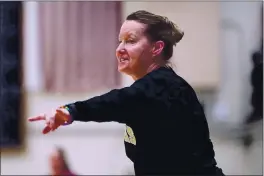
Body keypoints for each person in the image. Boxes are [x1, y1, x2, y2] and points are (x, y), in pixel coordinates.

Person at [29, 10, 225, 175]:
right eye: (120, 41)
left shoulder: (163, 87)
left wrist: (71, 111)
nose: (119, 49)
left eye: (130, 41)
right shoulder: (154, 90)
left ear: (156, 48)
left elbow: (116, 101)